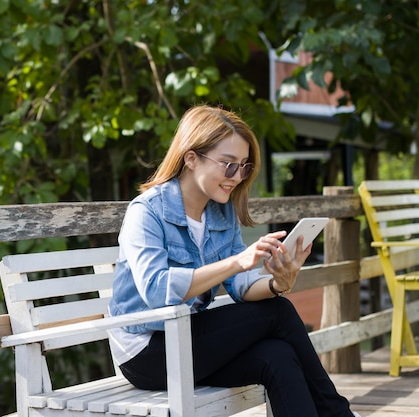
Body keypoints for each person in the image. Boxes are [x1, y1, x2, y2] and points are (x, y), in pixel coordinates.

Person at [107, 105, 360, 417]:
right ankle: (338, 413)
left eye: (243, 167)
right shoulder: (146, 212)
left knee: (278, 356)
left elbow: (239, 285)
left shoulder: (220, 212)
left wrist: (276, 283)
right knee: (278, 313)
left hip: (187, 341)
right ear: (191, 158)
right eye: (228, 165)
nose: (237, 177)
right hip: (146, 353)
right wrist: (237, 262)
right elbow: (157, 291)